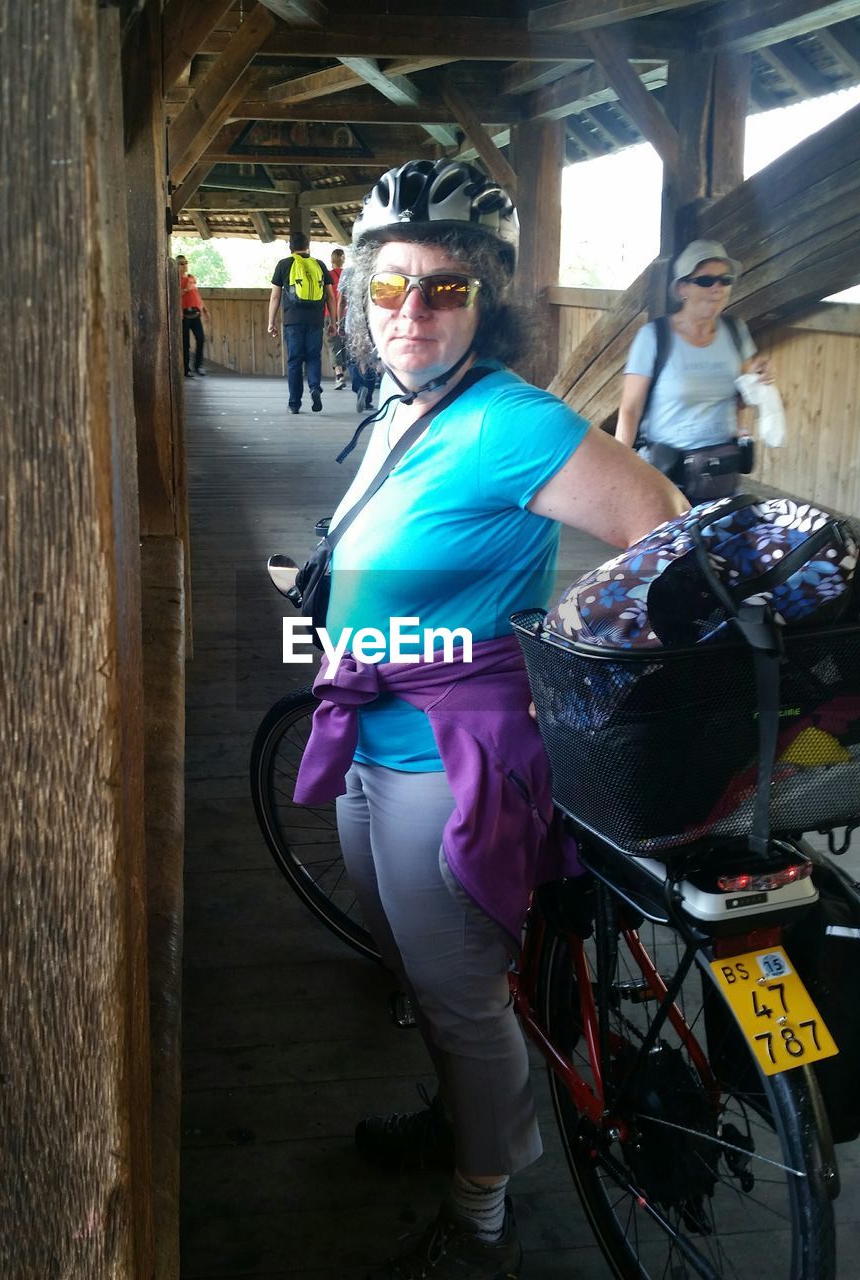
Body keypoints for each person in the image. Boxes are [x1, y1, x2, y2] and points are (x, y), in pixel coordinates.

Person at [290, 159, 687, 1279]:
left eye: (446, 289)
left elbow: (662, 523)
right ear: (362, 298)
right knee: (413, 956)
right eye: (390, 287)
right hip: (372, 730)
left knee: (461, 994)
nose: (413, 311)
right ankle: (461, 1113)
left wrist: (558, 636)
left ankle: (481, 1203)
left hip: (447, 758)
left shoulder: (513, 421)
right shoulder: (408, 402)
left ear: (489, 301)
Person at [617, 239, 773, 502]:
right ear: (682, 288)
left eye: (725, 280)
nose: (717, 288)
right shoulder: (654, 337)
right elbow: (630, 409)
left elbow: (742, 399)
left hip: (722, 472)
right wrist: (619, 472)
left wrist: (758, 383)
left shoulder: (736, 332)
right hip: (667, 476)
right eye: (705, 281)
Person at [268, 231, 338, 414]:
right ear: (308, 247)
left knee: (294, 361)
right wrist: (333, 321)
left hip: (292, 321)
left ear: (290, 247)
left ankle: (294, 403)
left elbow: (275, 296)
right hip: (315, 320)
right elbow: (331, 297)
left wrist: (271, 322)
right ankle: (314, 387)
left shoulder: (284, 265)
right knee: (313, 357)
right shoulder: (319, 265)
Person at [176, 255, 208, 377]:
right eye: (181, 264)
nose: (185, 266)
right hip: (184, 315)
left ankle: (198, 366)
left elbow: (196, 294)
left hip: (196, 313)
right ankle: (186, 369)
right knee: (185, 343)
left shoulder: (191, 278)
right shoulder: (176, 280)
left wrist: (204, 309)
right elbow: (174, 295)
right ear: (177, 266)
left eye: (186, 263)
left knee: (200, 339)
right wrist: (185, 289)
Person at [327, 247, 347, 389]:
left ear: (331, 260)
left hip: (329, 314)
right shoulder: (348, 274)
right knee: (345, 344)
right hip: (347, 314)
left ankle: (339, 375)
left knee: (333, 344)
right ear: (343, 259)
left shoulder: (327, 275)